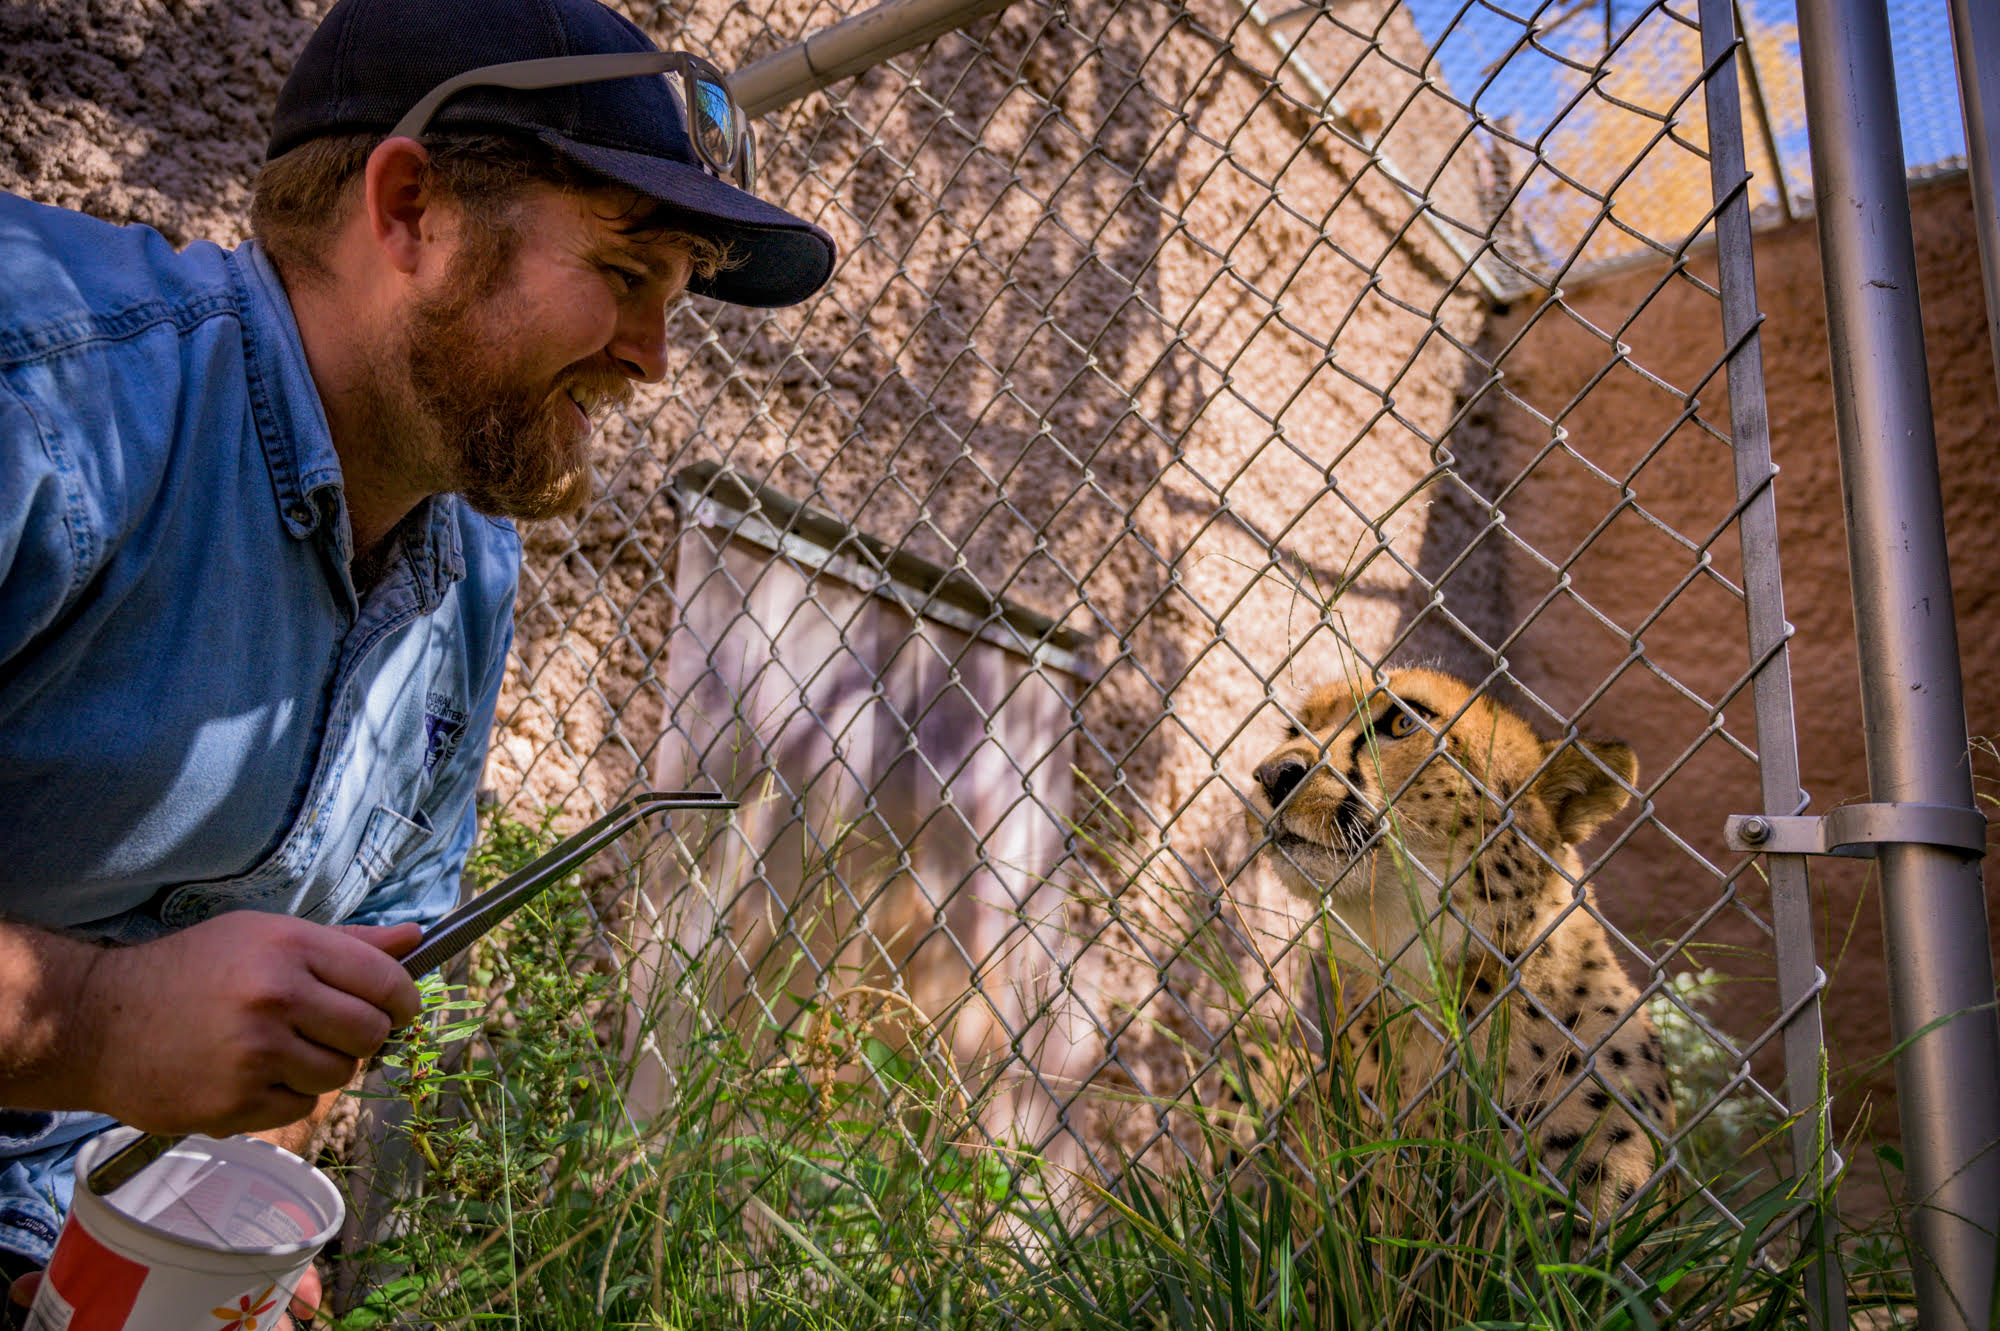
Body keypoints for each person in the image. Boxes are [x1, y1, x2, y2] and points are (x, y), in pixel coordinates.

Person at [0, 0, 834, 1319]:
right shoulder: (41, 395)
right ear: (408, 212)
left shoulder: (467, 576)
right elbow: (136, 1022)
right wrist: (98, 1022)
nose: (656, 361)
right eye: (626, 276)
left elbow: (305, 1014)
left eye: (674, 304)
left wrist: (224, 1234)